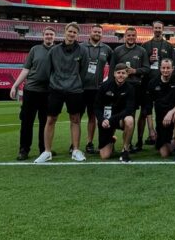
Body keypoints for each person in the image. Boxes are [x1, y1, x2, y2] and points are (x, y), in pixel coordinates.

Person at [35, 22, 87, 163]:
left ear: (77, 35)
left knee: (75, 119)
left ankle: (75, 150)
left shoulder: (82, 51)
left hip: (75, 89)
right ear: (65, 32)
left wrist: (75, 82)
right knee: (51, 119)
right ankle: (47, 152)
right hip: (56, 89)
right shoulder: (54, 50)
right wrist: (55, 83)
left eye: (74, 32)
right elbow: (48, 70)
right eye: (70, 31)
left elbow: (83, 71)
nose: (72, 34)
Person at [10, 26, 55, 160]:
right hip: (31, 90)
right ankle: (24, 149)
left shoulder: (58, 50)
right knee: (26, 122)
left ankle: (44, 149)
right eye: (47, 34)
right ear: (43, 36)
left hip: (48, 92)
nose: (49, 36)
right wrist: (15, 85)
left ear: (54, 37)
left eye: (51, 34)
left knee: (45, 122)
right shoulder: (35, 49)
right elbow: (26, 69)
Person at [112, 27, 149, 151]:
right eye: (129, 35)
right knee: (115, 114)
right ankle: (110, 141)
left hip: (135, 88)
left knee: (131, 115)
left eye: (133, 35)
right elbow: (112, 70)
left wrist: (135, 71)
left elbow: (147, 69)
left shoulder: (142, 51)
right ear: (125, 36)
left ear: (136, 37)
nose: (131, 37)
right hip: (119, 88)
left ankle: (129, 144)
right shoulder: (117, 50)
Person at [139, 21, 174, 148]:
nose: (158, 30)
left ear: (163, 29)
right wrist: (148, 60)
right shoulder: (145, 45)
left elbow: (172, 64)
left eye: (160, 28)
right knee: (144, 111)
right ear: (152, 29)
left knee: (163, 109)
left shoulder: (168, 46)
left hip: (164, 83)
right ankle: (140, 140)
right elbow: (141, 65)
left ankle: (163, 136)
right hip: (147, 82)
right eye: (156, 28)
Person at [144, 57, 175, 161]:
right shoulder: (153, 83)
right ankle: (173, 141)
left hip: (173, 116)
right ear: (160, 68)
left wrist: (170, 113)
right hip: (161, 121)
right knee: (164, 153)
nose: (165, 70)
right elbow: (148, 107)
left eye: (168, 68)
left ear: (173, 68)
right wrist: (151, 129)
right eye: (163, 68)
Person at [95, 62, 136, 161]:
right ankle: (111, 140)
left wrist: (111, 120)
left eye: (123, 73)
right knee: (105, 156)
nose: (121, 75)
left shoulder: (130, 88)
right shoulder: (105, 86)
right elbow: (96, 107)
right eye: (118, 73)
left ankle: (125, 150)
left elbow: (129, 109)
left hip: (119, 119)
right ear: (114, 74)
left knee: (130, 120)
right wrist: (102, 120)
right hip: (106, 120)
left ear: (127, 74)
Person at [82, 24, 113, 153]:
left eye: (99, 32)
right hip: (80, 88)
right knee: (76, 117)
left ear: (102, 34)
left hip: (97, 89)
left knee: (92, 116)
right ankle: (74, 144)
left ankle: (89, 142)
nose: (97, 34)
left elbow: (113, 66)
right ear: (90, 32)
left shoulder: (107, 49)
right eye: (95, 31)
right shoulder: (81, 47)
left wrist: (108, 82)